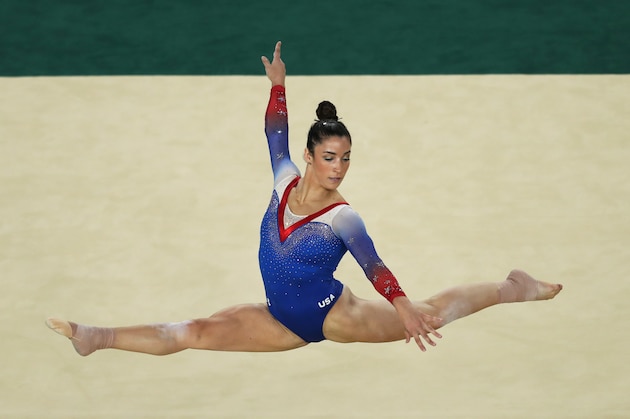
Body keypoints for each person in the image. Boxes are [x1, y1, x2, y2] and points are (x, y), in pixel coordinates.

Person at [46, 41, 562, 356]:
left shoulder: (342, 217)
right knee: (194, 332)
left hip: (330, 315)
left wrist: (402, 306)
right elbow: (275, 132)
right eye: (331, 157)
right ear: (311, 158)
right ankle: (96, 337)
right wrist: (279, 86)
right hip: (278, 317)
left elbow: (373, 263)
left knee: (429, 311)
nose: (339, 168)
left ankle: (510, 289)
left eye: (347, 158)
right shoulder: (284, 180)